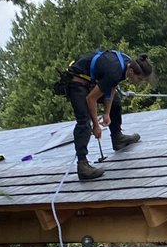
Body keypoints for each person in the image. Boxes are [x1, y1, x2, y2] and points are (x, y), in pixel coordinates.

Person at [60, 50, 155, 181]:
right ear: (131, 71)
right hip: (76, 83)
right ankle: (82, 166)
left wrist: (106, 113)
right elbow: (90, 99)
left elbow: (111, 88)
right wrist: (96, 125)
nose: (139, 83)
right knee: (84, 122)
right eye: (139, 79)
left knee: (115, 102)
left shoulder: (126, 63)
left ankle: (117, 138)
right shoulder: (115, 71)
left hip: (90, 81)